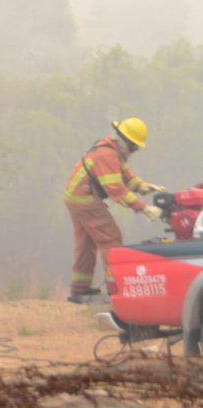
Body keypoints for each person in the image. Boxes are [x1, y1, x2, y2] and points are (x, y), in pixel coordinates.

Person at [62, 118, 164, 303]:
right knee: (111, 239)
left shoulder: (111, 150)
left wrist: (142, 186)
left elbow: (126, 176)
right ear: (126, 141)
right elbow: (116, 189)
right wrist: (144, 208)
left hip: (76, 198)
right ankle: (117, 287)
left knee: (86, 244)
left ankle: (80, 289)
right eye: (134, 147)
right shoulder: (107, 155)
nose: (134, 151)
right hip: (85, 199)